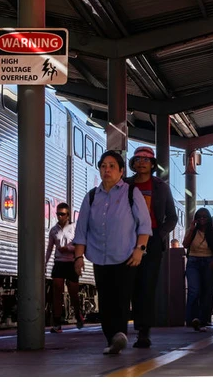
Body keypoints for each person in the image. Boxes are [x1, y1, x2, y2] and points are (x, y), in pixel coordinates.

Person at [73, 150, 151, 355]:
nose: (106, 170)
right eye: (103, 166)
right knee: (105, 300)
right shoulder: (91, 196)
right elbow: (81, 230)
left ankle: (119, 335)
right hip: (99, 256)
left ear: (121, 170)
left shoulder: (131, 192)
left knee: (122, 298)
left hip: (126, 255)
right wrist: (78, 257)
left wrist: (139, 250)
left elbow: (144, 226)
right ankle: (112, 339)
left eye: (111, 166)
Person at [126, 146, 178, 348]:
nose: (141, 162)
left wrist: (159, 235)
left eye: (146, 160)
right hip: (127, 240)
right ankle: (127, 328)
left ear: (153, 164)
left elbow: (172, 217)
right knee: (129, 286)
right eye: (138, 159)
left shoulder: (160, 187)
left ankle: (143, 332)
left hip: (152, 241)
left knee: (147, 286)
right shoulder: (125, 184)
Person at [45, 202, 83, 333]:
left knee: (73, 292)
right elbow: (50, 248)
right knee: (57, 291)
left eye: (62, 214)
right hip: (59, 262)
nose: (60, 216)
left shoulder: (74, 228)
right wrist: (45, 263)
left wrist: (68, 248)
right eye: (58, 214)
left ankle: (78, 313)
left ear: (68, 215)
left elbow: (79, 245)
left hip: (71, 263)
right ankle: (56, 322)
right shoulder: (53, 230)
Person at [182, 207, 213, 332]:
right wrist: (192, 229)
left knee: (207, 292)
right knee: (194, 290)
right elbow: (185, 244)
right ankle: (191, 319)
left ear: (209, 219)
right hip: (193, 262)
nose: (202, 219)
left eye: (205, 217)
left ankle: (203, 319)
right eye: (199, 217)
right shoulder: (192, 231)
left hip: (208, 262)